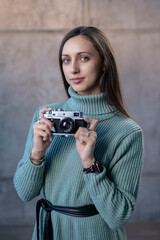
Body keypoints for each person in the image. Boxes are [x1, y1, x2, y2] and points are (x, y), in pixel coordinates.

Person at [14, 26, 144, 240]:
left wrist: (90, 162)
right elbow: (25, 193)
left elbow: (118, 216)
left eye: (83, 58)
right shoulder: (45, 116)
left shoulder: (127, 132)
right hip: (48, 232)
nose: (73, 69)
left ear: (104, 64)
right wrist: (37, 153)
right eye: (66, 60)